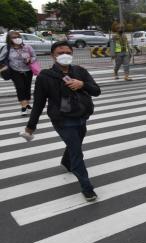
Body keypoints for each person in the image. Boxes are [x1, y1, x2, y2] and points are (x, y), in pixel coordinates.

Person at [23, 41, 101, 202]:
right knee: (76, 151)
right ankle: (87, 188)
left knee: (75, 145)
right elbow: (38, 103)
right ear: (52, 56)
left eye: (67, 52)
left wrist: (82, 84)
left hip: (81, 116)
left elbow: (97, 91)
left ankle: (66, 162)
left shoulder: (80, 71)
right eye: (60, 53)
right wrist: (31, 126)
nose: (64, 55)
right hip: (62, 120)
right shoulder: (45, 76)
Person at [0, 31, 36, 116]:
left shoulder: (27, 47)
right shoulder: (7, 48)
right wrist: (3, 67)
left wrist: (30, 60)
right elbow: (0, 59)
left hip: (28, 70)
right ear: (9, 39)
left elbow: (34, 56)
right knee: (20, 87)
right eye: (14, 37)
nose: (17, 39)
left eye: (18, 37)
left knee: (27, 87)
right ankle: (23, 106)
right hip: (14, 71)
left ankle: (27, 104)